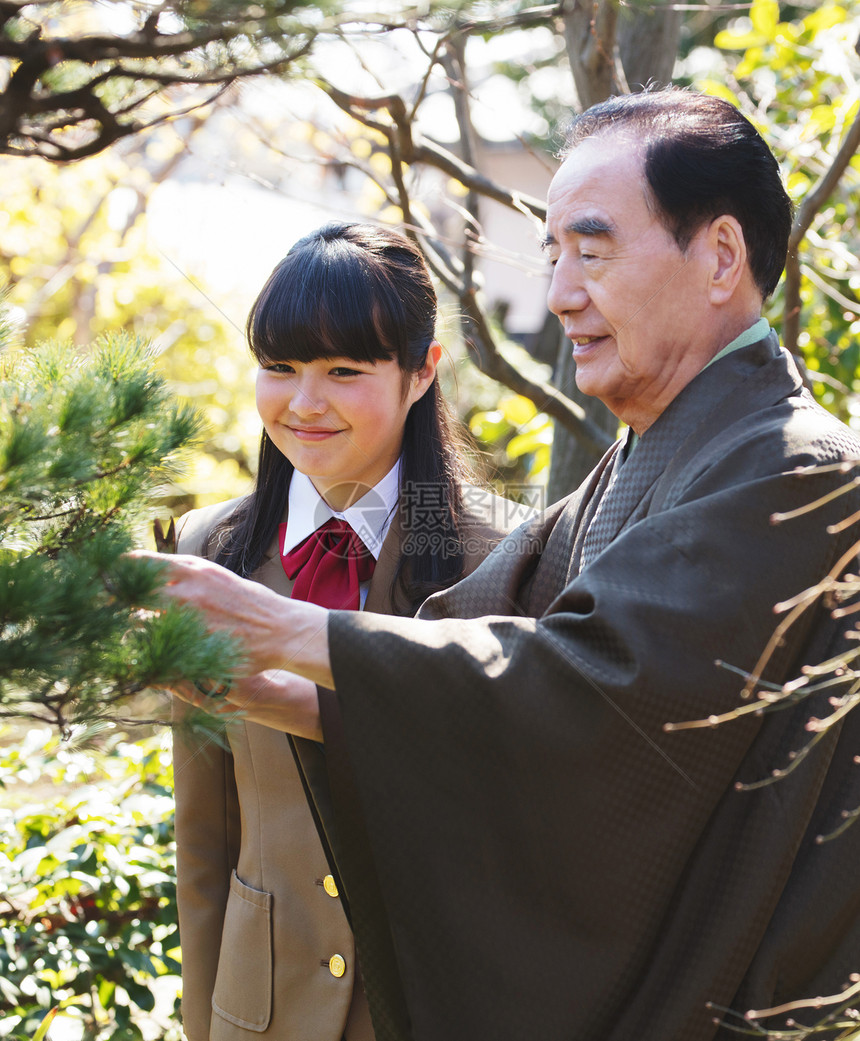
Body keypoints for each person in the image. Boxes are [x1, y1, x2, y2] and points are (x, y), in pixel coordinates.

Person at [143, 91, 860, 1041]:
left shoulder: (799, 469)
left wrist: (294, 634)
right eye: (553, 251)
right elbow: (489, 641)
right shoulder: (649, 455)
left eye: (592, 250)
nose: (561, 290)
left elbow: (595, 693)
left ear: (721, 256)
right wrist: (293, 698)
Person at [168, 222, 534, 1041]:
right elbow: (205, 835)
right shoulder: (210, 552)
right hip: (259, 1015)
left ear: (420, 372)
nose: (303, 403)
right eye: (280, 368)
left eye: (342, 370)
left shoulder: (505, 554)